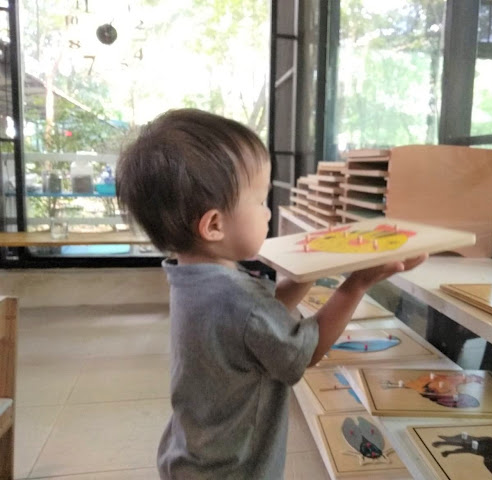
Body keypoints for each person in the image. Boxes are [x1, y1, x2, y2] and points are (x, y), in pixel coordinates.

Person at [116, 108, 425, 479]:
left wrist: (310, 267)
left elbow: (262, 319)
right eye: (260, 202)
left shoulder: (195, 277)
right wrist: (356, 284)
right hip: (233, 469)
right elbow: (304, 352)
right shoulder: (234, 298)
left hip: (194, 454)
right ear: (214, 225)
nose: (267, 214)